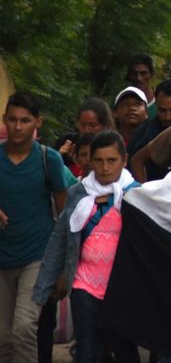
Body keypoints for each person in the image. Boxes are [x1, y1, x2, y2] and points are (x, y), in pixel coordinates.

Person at [33, 131, 140, 363]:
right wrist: (44, 288)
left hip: (121, 286)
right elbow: (60, 239)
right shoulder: (78, 192)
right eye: (99, 160)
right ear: (90, 161)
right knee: (87, 351)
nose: (105, 168)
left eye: (112, 160)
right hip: (85, 283)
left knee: (124, 350)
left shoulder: (137, 195)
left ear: (124, 159)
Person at [1, 93, 69, 363]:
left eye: (25, 120)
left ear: (37, 123)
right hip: (3, 259)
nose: (18, 127)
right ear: (5, 121)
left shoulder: (48, 159)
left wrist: (62, 269)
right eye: (12, 120)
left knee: (24, 327)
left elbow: (65, 216)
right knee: (3, 337)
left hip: (36, 257)